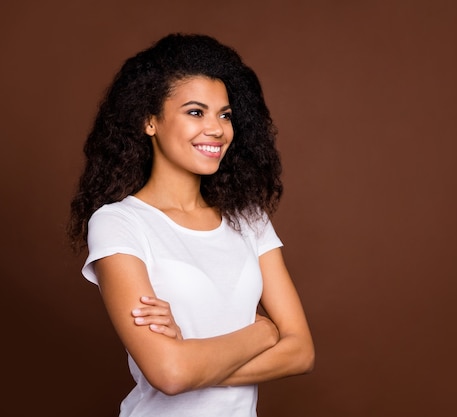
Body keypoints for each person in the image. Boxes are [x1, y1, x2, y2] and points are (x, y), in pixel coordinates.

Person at [67, 33, 315, 417]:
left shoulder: (248, 218)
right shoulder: (119, 223)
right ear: (149, 120)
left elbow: (301, 351)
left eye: (225, 114)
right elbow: (168, 373)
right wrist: (262, 332)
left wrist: (193, 362)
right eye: (196, 112)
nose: (216, 129)